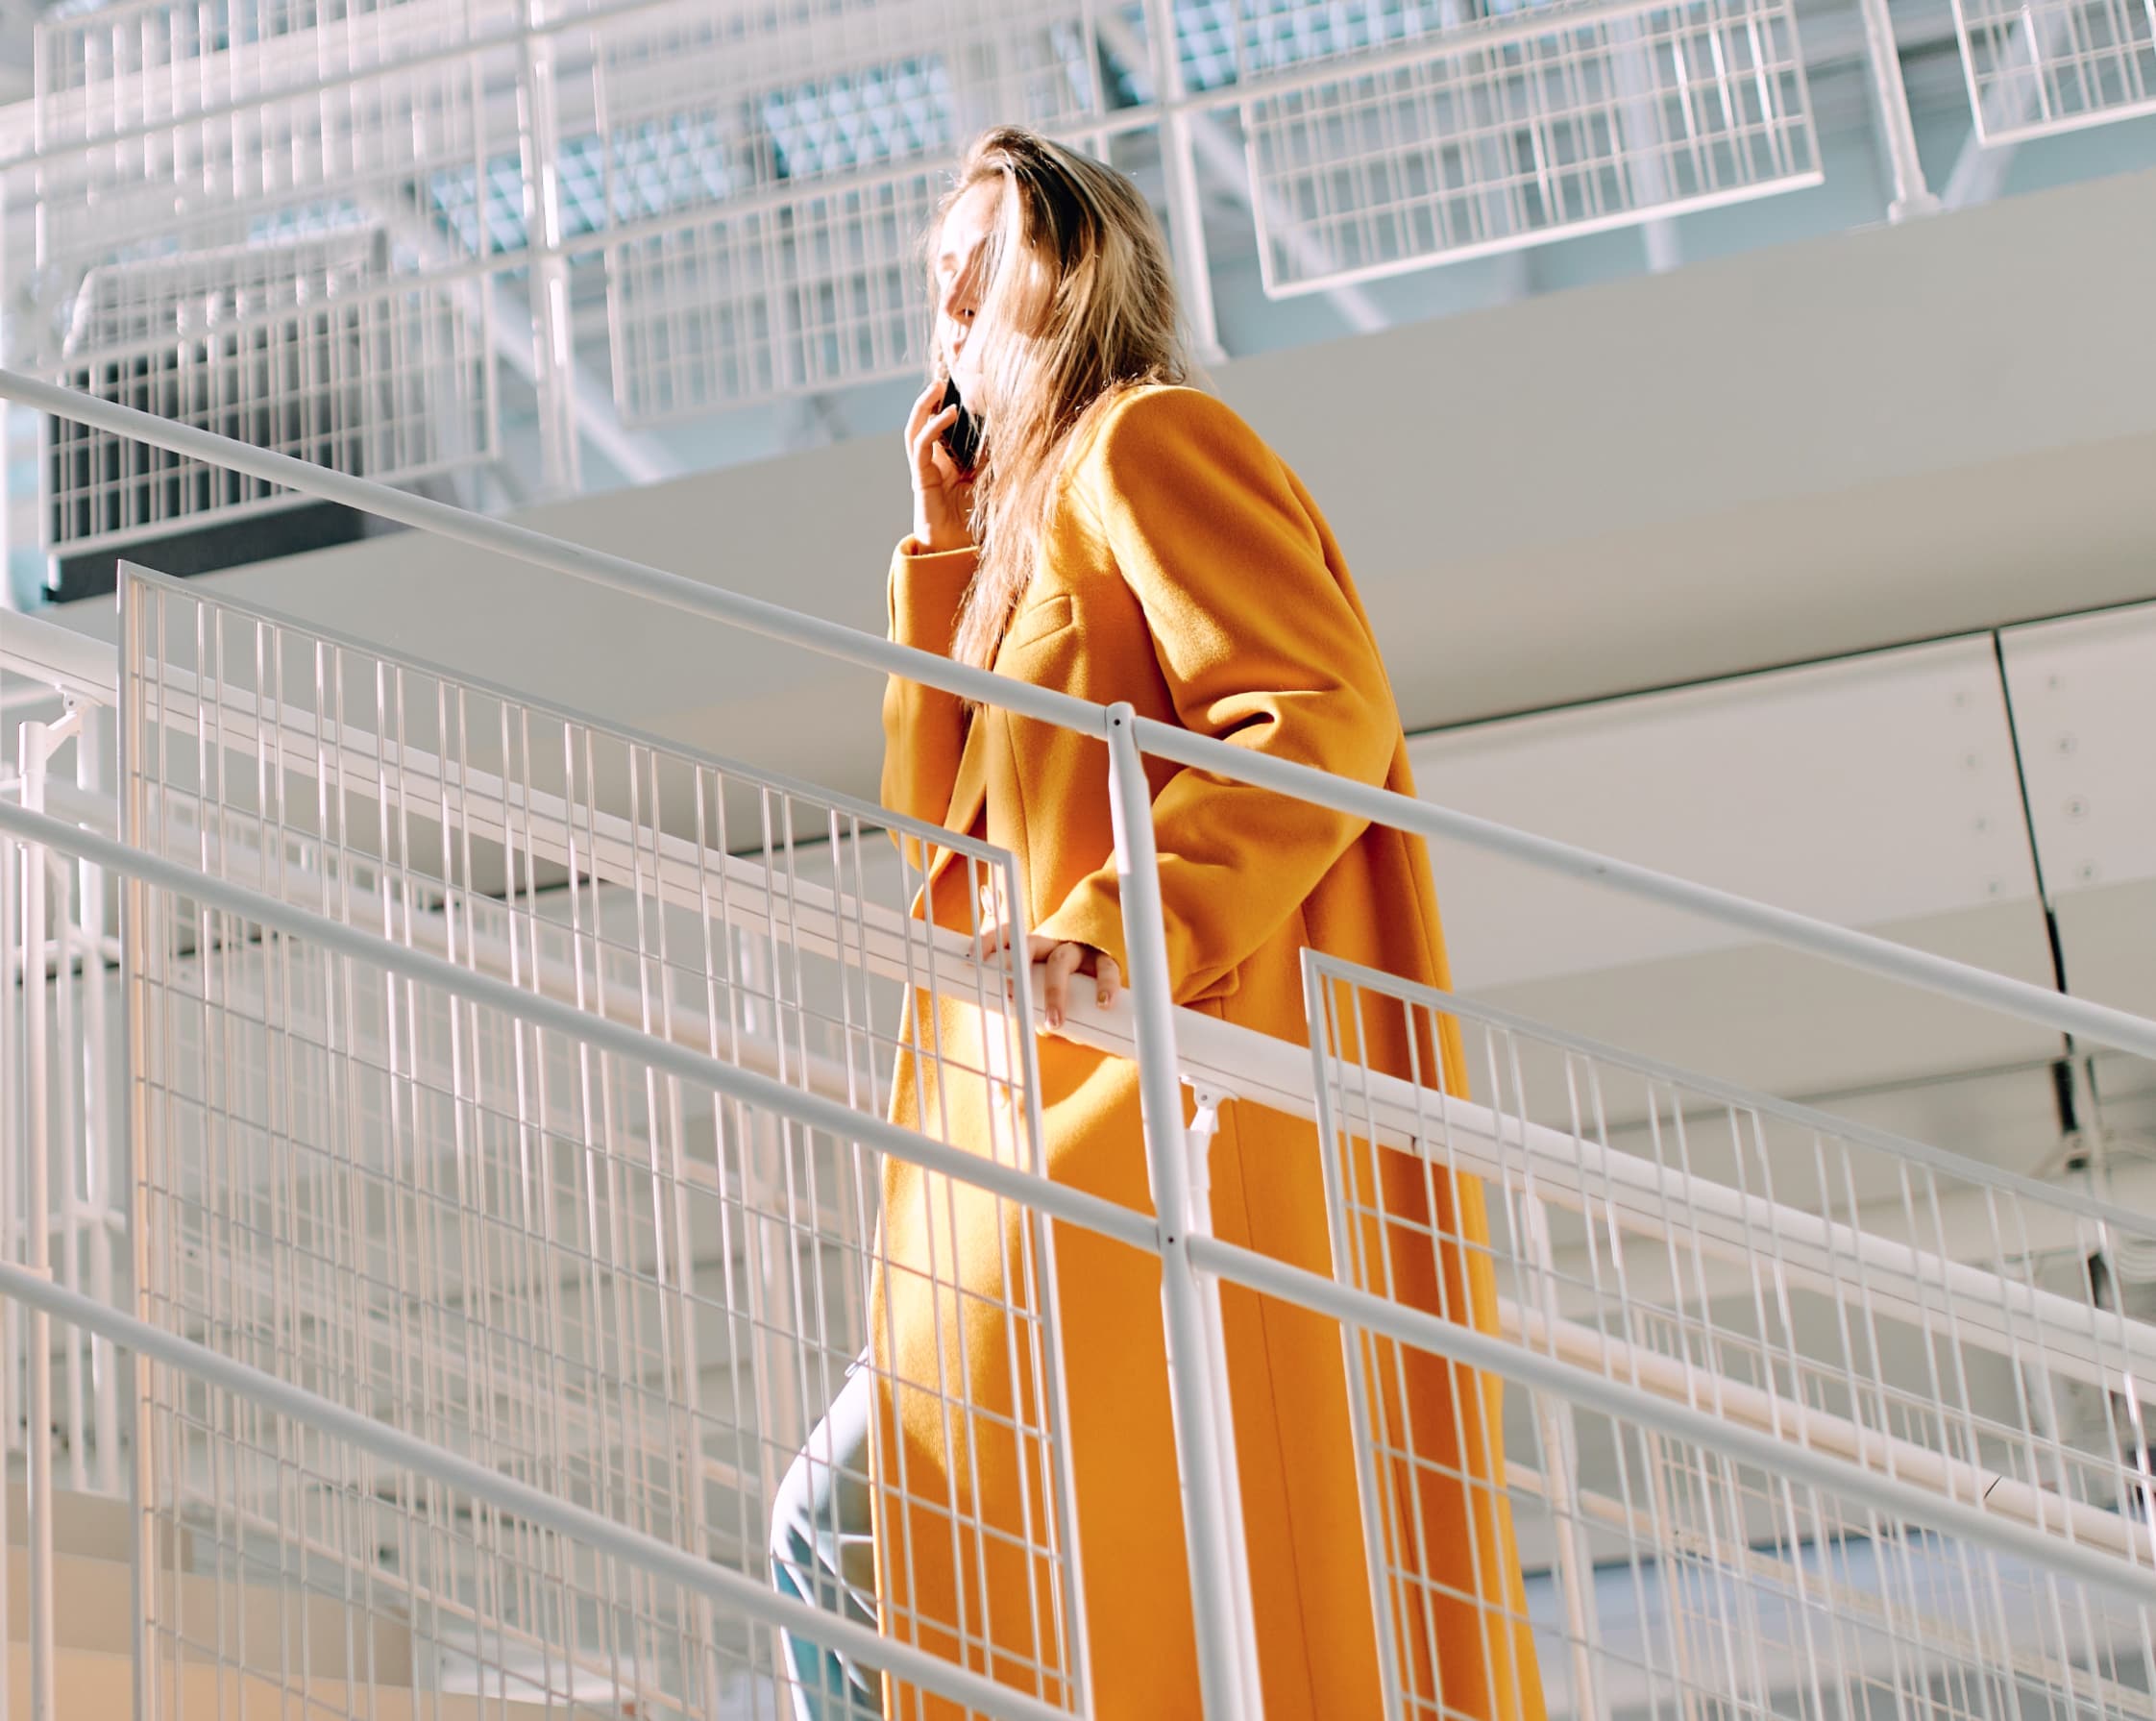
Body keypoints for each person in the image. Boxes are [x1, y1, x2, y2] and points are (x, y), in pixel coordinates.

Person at [771, 126, 1545, 1721]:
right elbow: (949, 859)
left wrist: (1126, 923)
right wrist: (947, 553)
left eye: (976, 265)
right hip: (1033, 1142)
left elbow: (1316, 707)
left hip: (1133, 1118)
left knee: (862, 1536)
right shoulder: (1028, 534)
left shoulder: (1148, 441)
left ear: (1068, 264)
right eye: (933, 285)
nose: (947, 306)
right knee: (895, 1551)